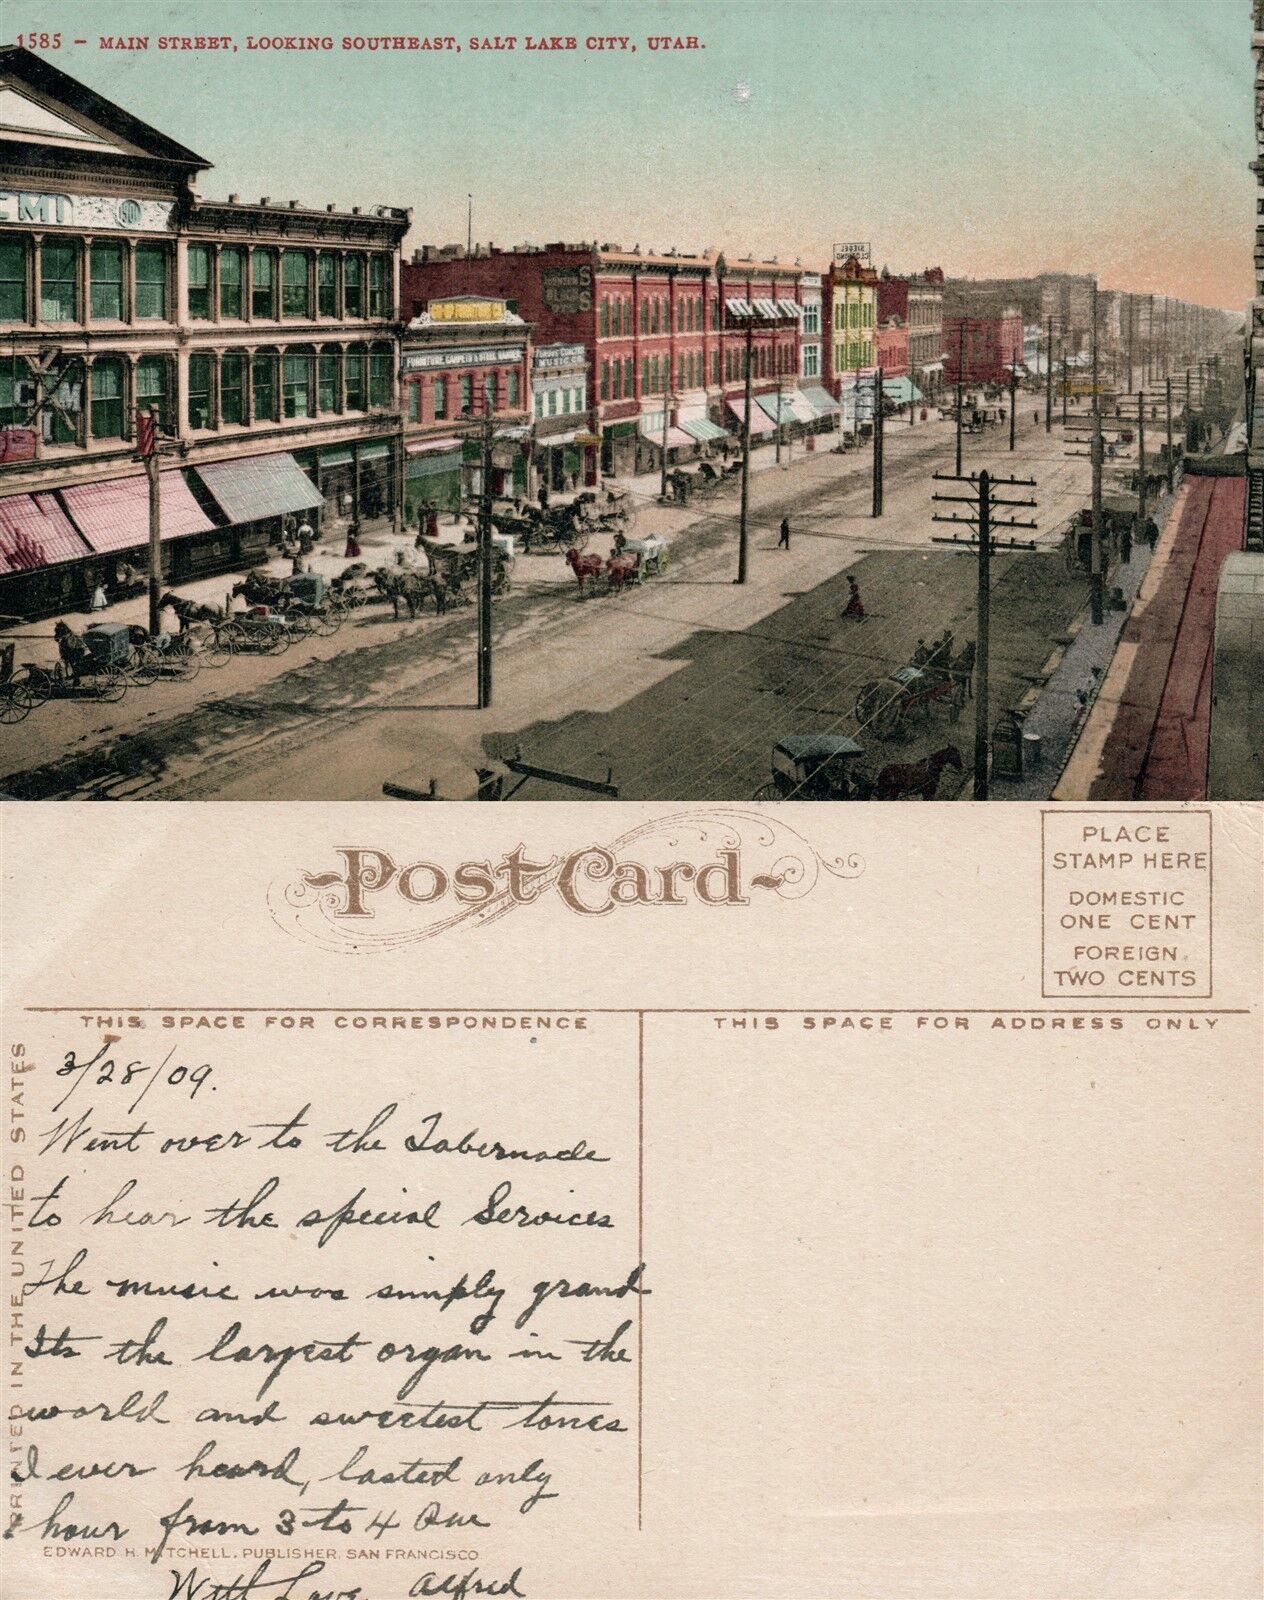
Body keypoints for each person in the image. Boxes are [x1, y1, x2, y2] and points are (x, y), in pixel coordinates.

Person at [54, 621, 88, 685]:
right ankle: (73, 676)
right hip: (71, 650)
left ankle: (76, 679)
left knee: (75, 664)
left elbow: (71, 645)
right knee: (72, 664)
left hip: (77, 650)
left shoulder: (71, 639)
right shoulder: (64, 639)